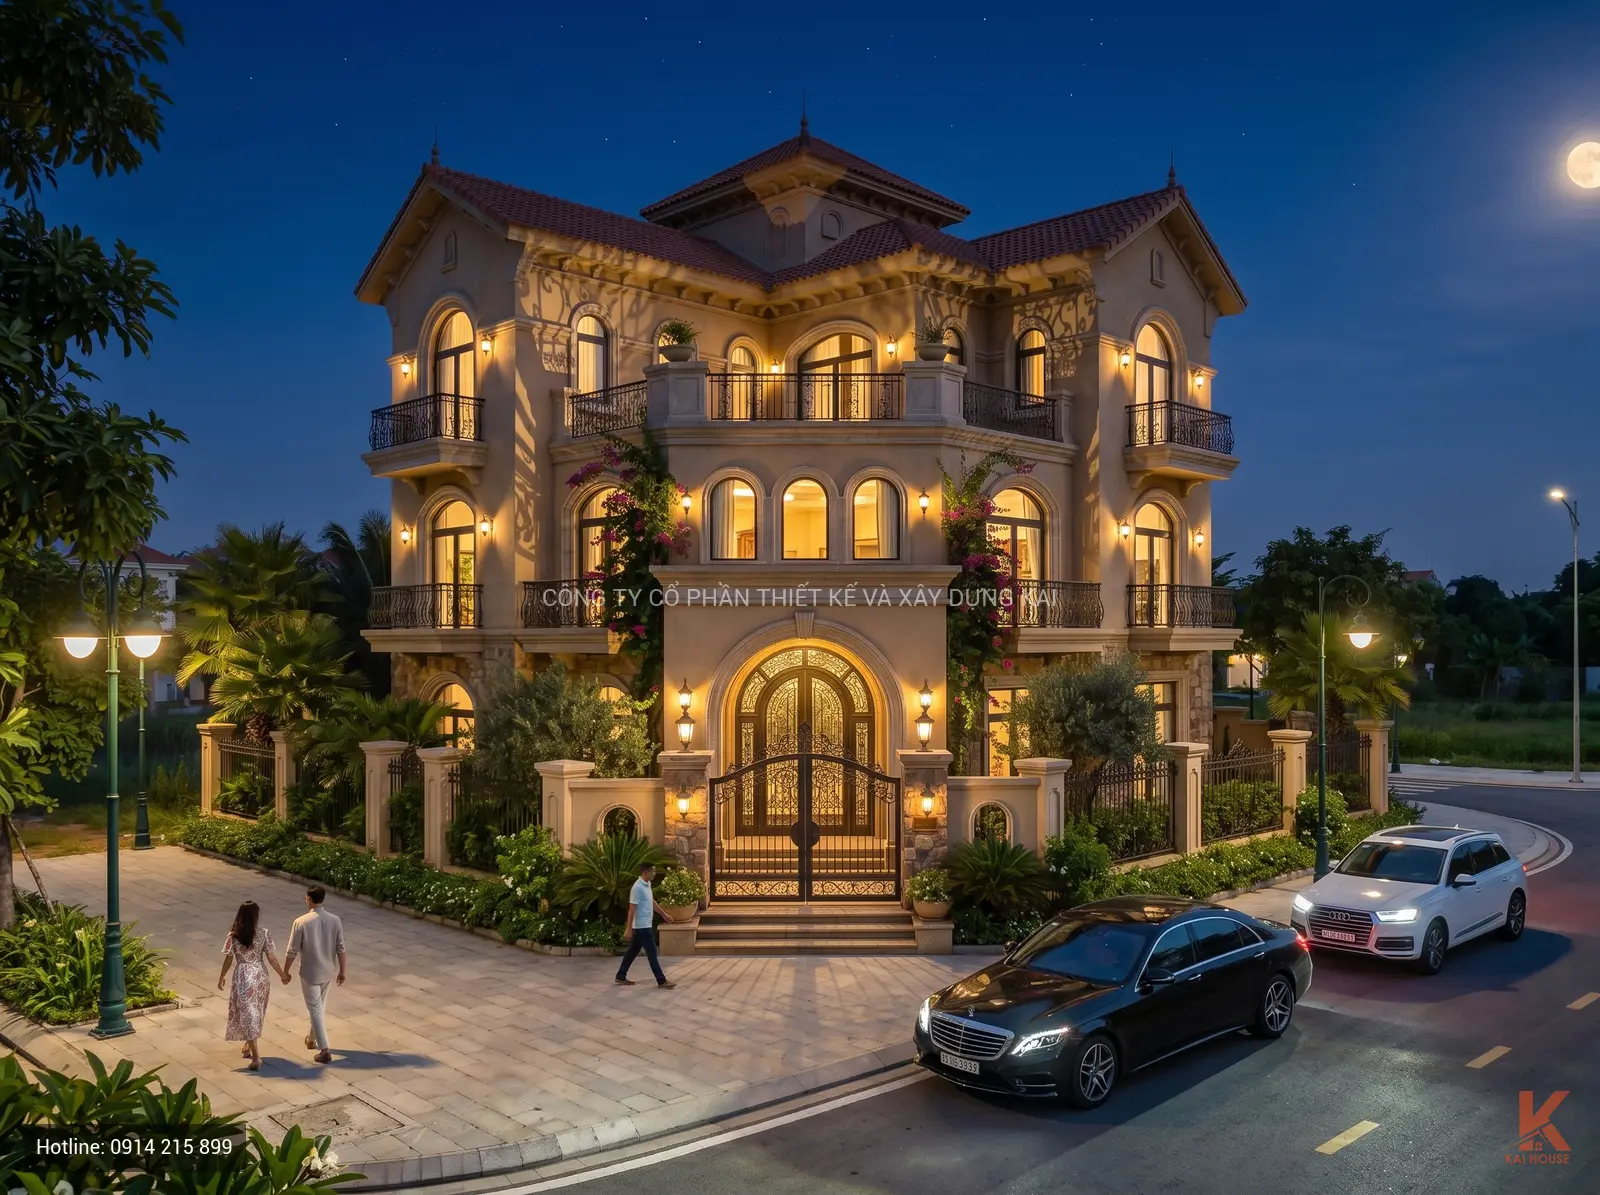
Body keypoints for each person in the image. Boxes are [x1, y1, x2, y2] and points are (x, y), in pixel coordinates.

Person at [216, 900, 288, 1071]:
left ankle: (256, 1058)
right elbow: (271, 958)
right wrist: (282, 974)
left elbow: (228, 959)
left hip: (243, 976)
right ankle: (249, 1045)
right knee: (255, 1011)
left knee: (248, 1013)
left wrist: (222, 976)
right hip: (260, 975)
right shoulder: (264, 933)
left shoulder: (233, 936)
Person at [282, 885, 346, 1063]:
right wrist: (342, 970)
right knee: (319, 1007)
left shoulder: (301, 922)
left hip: (309, 972)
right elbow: (341, 948)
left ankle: (325, 1049)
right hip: (327, 970)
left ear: (309, 899)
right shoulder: (335, 920)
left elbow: (292, 950)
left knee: (315, 1008)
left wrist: (285, 971)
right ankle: (311, 1039)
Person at [614, 862, 674, 988]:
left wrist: (664, 914)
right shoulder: (637, 888)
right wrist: (628, 929)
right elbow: (631, 910)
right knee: (652, 954)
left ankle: (620, 976)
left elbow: (651, 901)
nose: (655, 873)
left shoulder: (647, 884)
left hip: (644, 926)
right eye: (653, 871)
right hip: (642, 927)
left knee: (632, 951)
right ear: (646, 872)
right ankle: (661, 980)